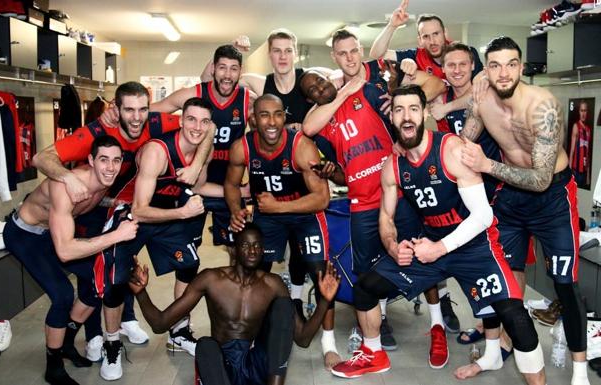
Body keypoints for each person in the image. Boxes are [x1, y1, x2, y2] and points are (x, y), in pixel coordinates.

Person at [330, 84, 546, 385]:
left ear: (425, 114)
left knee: (514, 314)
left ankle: (535, 379)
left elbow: (483, 217)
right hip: (430, 244)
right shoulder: (392, 167)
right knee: (366, 287)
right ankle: (373, 353)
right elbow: (385, 217)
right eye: (399, 110)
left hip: (473, 246)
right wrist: (392, 246)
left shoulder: (452, 149)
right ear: (391, 117)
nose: (407, 117)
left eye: (414, 109)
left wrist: (440, 248)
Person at [32, 81, 212, 360]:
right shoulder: (99, 130)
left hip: (137, 207)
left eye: (142, 109)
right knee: (100, 277)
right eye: (129, 110)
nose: (137, 117)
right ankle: (99, 338)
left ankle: (138, 323)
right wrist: (67, 177)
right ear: (116, 109)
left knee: (180, 265)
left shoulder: (155, 122)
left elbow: (203, 125)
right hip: (97, 206)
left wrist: (197, 164)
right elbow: (42, 157)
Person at [301, 59, 449, 366]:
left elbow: (400, 122)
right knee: (368, 273)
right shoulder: (324, 127)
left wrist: (399, 144)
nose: (320, 87)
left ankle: (437, 326)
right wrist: (332, 173)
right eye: (313, 89)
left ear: (331, 78)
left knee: (420, 255)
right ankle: (377, 336)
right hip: (362, 204)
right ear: (310, 100)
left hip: (398, 193)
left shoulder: (366, 92)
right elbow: (343, 168)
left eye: (321, 80)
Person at [460, 36, 589, 385]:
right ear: (486, 69)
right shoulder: (481, 100)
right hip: (510, 200)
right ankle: (493, 352)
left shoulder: (542, 106)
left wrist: (487, 165)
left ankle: (579, 373)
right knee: (496, 277)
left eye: (511, 64)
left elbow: (541, 179)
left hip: (553, 199)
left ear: (521, 67)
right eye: (495, 65)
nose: (503, 73)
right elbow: (462, 144)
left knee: (565, 284)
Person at [128, 223, 340, 385]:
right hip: (223, 368)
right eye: (245, 245)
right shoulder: (211, 279)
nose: (252, 250)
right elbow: (160, 323)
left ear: (263, 250)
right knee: (205, 345)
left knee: (285, 307)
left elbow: (302, 339)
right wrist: (141, 293)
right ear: (234, 249)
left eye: (257, 245)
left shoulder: (272, 284)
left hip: (254, 364)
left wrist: (324, 301)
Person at [2, 136, 138, 385]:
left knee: (99, 279)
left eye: (116, 160)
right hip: (24, 234)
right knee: (63, 294)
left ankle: (65, 342)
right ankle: (53, 367)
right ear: (90, 161)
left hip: (48, 235)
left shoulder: (106, 178)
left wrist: (114, 202)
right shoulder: (66, 185)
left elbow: (93, 200)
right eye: (104, 160)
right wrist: (116, 236)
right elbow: (64, 251)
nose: (110, 167)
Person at [98, 97, 215, 380]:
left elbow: (200, 180)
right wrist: (185, 212)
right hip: (132, 214)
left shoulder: (203, 148)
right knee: (116, 279)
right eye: (191, 120)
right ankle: (111, 343)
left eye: (203, 121)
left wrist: (242, 192)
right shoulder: (157, 151)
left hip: (167, 214)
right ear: (180, 120)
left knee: (190, 265)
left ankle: (178, 331)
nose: (197, 127)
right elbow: (139, 210)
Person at [224, 94, 337, 368]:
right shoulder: (242, 148)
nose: (272, 122)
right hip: (269, 215)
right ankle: (251, 332)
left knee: (320, 272)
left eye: (278, 114)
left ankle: (329, 342)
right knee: (253, 272)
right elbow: (230, 184)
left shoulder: (302, 147)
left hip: (305, 215)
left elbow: (322, 198)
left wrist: (278, 208)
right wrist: (236, 210)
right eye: (264, 115)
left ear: (284, 117)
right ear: (254, 119)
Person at [151, 44, 254, 261]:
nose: (227, 75)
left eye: (233, 69)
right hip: (195, 178)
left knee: (237, 250)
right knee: (187, 255)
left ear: (240, 72)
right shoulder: (194, 94)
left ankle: (235, 292)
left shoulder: (247, 100)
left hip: (229, 182)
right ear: (213, 68)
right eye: (222, 68)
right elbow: (154, 109)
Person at [369, 0, 484, 121]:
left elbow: (480, 92)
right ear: (420, 40)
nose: (432, 41)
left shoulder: (464, 54)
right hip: (446, 126)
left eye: (436, 34)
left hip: (475, 118)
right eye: (426, 36)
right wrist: (392, 26)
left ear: (445, 33)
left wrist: (447, 108)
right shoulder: (416, 55)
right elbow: (376, 54)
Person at [569, 100, 592, 187]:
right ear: (579, 112)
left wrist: (588, 176)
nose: (583, 113)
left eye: (585, 110)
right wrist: (570, 172)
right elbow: (572, 151)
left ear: (587, 112)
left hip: (584, 172)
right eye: (581, 110)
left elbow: (588, 153)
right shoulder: (576, 126)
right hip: (575, 171)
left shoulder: (588, 130)